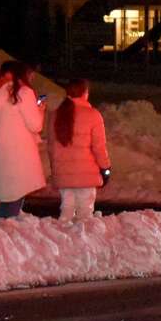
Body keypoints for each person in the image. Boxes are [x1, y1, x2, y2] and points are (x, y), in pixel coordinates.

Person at [0, 61, 47, 218]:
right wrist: (40, 110)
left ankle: (2, 225)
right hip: (20, 152)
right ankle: (4, 227)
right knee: (15, 195)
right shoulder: (23, 92)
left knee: (8, 195)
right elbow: (35, 125)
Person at [49, 78, 111, 221]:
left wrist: (56, 168)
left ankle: (64, 233)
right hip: (86, 175)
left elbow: (51, 147)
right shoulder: (93, 115)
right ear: (84, 93)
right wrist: (105, 168)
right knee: (85, 215)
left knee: (66, 212)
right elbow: (99, 147)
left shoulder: (55, 115)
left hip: (64, 173)